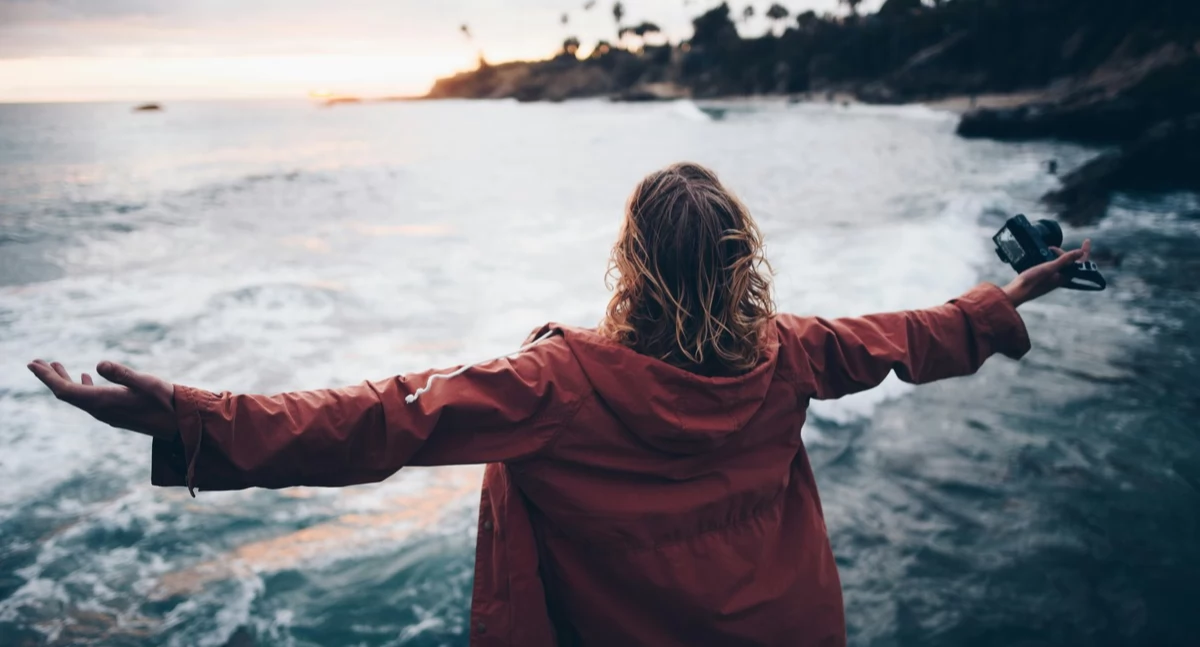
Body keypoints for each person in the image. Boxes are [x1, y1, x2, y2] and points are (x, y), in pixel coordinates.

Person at [28, 162, 1092, 647]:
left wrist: (190, 415)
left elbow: (374, 418)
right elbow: (912, 335)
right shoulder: (789, 353)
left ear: (631, 262)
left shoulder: (556, 384)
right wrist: (1013, 293)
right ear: (741, 264)